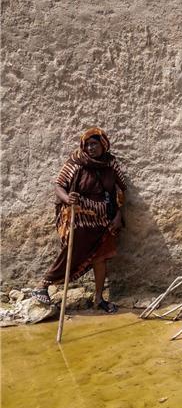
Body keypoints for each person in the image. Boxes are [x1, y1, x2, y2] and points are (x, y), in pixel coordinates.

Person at [32, 127, 127, 313]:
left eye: (94, 144)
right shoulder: (76, 161)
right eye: (88, 144)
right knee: (74, 248)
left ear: (103, 145)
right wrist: (68, 199)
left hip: (103, 218)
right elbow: (59, 185)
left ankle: (99, 299)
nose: (90, 148)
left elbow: (121, 190)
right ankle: (42, 285)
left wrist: (118, 214)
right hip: (78, 216)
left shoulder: (111, 164)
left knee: (101, 257)